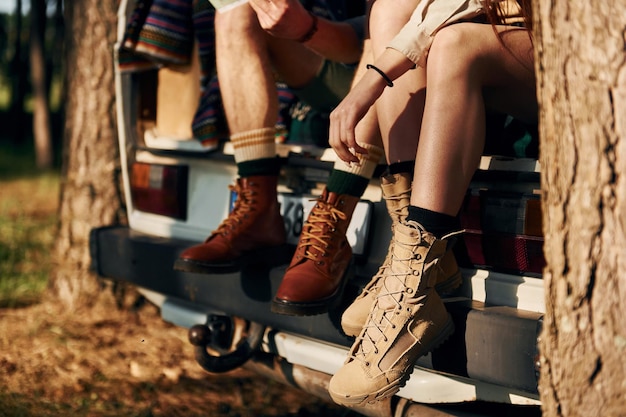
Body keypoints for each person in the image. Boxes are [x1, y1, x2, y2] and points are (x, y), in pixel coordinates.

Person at [326, 0, 536, 405]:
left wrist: (373, 79)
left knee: (454, 43)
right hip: (516, 32)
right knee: (389, 9)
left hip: (586, 49)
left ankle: (414, 286)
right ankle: (419, 264)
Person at [173, 0, 389, 317]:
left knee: (389, 16)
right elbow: (351, 43)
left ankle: (335, 213)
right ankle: (257, 209)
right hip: (348, 57)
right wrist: (302, 26)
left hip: (408, 66)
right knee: (235, 10)